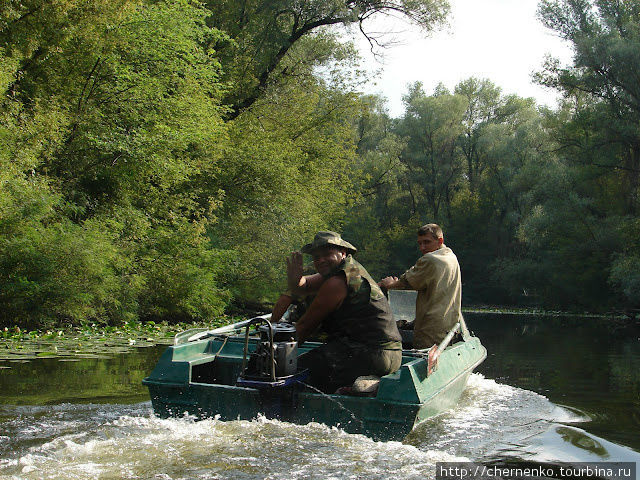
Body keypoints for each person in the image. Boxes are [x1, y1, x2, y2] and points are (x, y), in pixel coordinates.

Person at [271, 231, 402, 393]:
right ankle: (352, 386)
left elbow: (305, 327)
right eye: (316, 257)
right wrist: (294, 279)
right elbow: (302, 287)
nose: (321, 260)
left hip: (371, 354)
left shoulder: (338, 281)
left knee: (291, 372)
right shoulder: (349, 270)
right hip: (389, 354)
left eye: (327, 254)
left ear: (343, 253)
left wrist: (274, 355)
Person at [378, 224, 462, 350]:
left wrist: (389, 284)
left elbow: (407, 282)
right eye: (420, 243)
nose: (422, 247)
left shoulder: (430, 259)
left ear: (440, 241)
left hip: (430, 329)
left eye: (427, 242)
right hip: (448, 327)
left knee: (423, 357)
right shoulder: (451, 256)